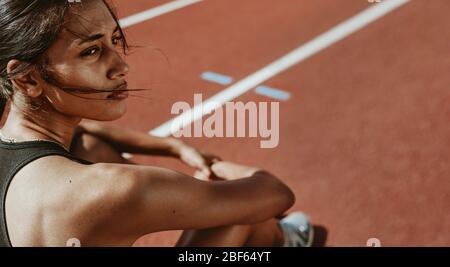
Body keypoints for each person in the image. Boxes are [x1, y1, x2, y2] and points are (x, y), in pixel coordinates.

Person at [0, 0, 313, 247]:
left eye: (115, 40)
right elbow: (276, 193)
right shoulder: (111, 189)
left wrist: (176, 146)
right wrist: (219, 170)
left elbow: (87, 133)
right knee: (241, 213)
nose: (121, 66)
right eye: (91, 51)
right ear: (28, 77)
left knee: (95, 146)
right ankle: (280, 239)